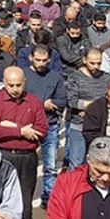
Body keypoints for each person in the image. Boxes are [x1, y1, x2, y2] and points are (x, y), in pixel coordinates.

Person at [0, 66, 47, 219]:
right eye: (11, 85)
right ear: (4, 83)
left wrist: (10, 126)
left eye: (18, 85)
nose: (15, 89)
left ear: (24, 83)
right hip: (3, 155)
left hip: (27, 157)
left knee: (25, 204)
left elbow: (42, 130)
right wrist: (21, 130)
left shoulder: (34, 102)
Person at [23, 44, 67, 206]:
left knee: (50, 166)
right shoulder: (23, 76)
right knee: (26, 166)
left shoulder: (55, 77)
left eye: (44, 60)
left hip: (50, 125)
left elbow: (63, 100)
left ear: (49, 60)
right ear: (30, 58)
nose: (41, 63)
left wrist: (53, 103)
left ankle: (48, 198)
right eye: (38, 60)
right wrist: (42, 104)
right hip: (27, 126)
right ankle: (24, 197)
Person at [64, 48, 110, 168]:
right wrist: (96, 106)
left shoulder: (108, 78)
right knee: (77, 163)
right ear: (84, 60)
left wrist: (89, 109)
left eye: (99, 63)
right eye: (92, 63)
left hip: (100, 127)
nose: (96, 66)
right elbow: (72, 101)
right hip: (79, 126)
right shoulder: (74, 78)